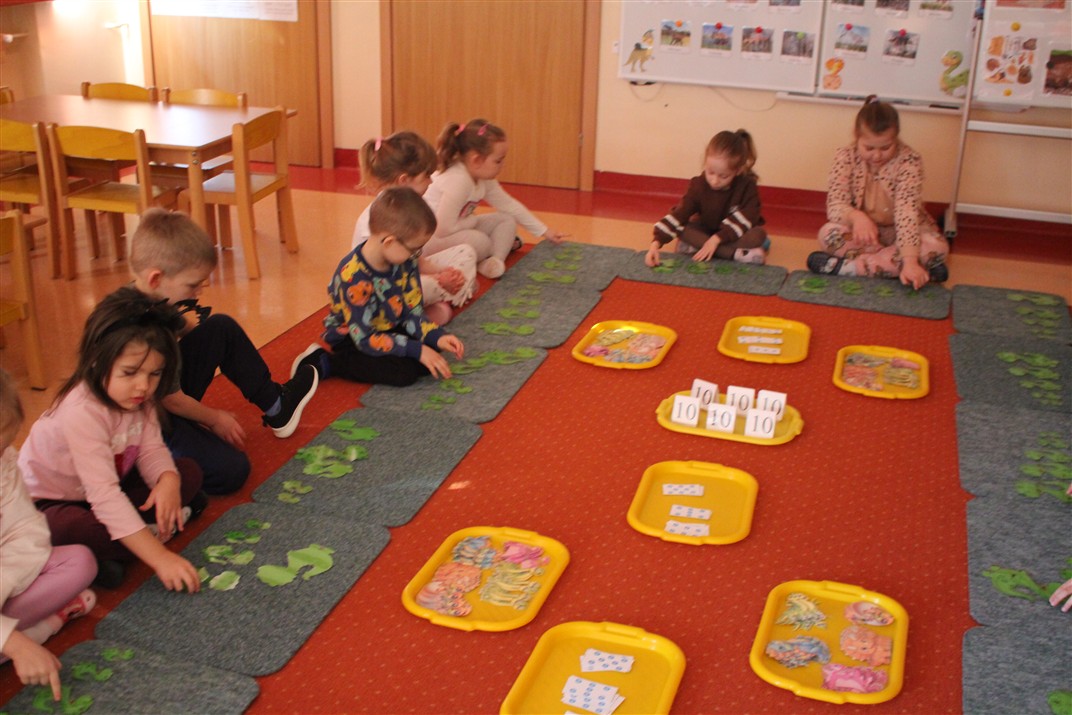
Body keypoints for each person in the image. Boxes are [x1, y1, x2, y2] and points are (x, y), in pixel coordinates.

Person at [18, 288, 204, 594]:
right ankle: (138, 539)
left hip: (110, 484)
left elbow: (151, 449)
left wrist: (168, 480)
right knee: (75, 528)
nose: (143, 386)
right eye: (130, 373)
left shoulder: (139, 398)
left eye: (155, 374)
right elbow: (103, 495)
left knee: (188, 472)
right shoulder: (81, 412)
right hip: (53, 501)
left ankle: (127, 544)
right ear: (96, 361)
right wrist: (159, 558)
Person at [129, 209, 319, 495]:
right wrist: (214, 418)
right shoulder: (144, 334)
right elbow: (172, 401)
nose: (198, 293)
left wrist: (211, 345)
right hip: (149, 422)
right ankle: (147, 475)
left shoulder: (153, 294)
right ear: (156, 278)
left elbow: (185, 327)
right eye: (192, 285)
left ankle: (277, 406)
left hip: (164, 400)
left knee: (220, 327)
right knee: (233, 471)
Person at [292, 187, 464, 387]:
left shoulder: (405, 260)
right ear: (389, 242)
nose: (416, 255)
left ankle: (419, 347)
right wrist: (417, 350)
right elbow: (365, 338)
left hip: (388, 325)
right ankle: (329, 362)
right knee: (404, 373)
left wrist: (437, 336)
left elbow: (412, 312)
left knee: (432, 352)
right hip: (354, 337)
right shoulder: (353, 277)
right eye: (415, 249)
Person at [0, 370, 97, 702]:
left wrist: (6, 577)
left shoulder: (5, 461)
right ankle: (39, 630)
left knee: (80, 562)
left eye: (3, 445)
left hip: (8, 570)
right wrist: (15, 643)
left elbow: (28, 529)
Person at [807, 95, 949, 290]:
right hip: (865, 236)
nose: (876, 155)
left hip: (902, 233)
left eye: (885, 147)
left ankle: (850, 268)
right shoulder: (845, 157)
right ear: (857, 137)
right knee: (828, 234)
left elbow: (907, 212)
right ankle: (899, 267)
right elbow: (835, 205)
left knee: (936, 247)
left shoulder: (909, 161)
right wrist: (857, 217)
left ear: (896, 138)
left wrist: (909, 260)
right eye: (869, 148)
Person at [353, 131, 478, 325]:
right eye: (426, 176)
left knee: (467, 252)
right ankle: (427, 306)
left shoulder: (409, 207)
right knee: (422, 286)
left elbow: (418, 261)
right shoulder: (382, 217)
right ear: (404, 180)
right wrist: (438, 279)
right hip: (382, 289)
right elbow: (388, 275)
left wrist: (444, 272)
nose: (431, 181)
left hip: (408, 274)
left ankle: (430, 303)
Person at [423, 118, 568, 279]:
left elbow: (509, 205)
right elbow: (442, 229)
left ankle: (494, 261)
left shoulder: (483, 178)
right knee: (481, 241)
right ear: (476, 160)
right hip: (430, 238)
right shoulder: (459, 180)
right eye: (498, 161)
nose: (502, 165)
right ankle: (487, 252)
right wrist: (472, 221)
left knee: (506, 220)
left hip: (456, 228)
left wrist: (545, 231)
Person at [646, 129, 770, 267]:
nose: (714, 181)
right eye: (710, 172)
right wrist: (655, 244)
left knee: (758, 235)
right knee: (682, 229)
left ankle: (698, 247)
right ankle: (737, 254)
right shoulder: (698, 184)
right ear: (705, 163)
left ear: (738, 170)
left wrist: (716, 239)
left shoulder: (747, 185)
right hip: (705, 229)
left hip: (731, 234)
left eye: (723, 176)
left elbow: (750, 215)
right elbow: (680, 213)